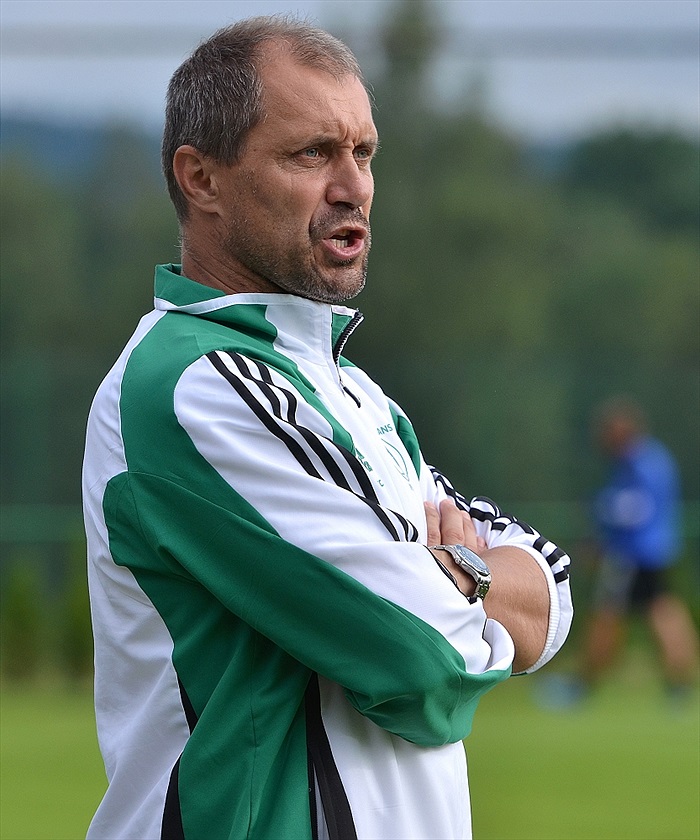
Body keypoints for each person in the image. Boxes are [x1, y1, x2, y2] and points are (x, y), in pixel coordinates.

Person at [82, 16, 573, 840]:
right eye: (311, 154)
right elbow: (418, 658)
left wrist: (455, 578)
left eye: (364, 152)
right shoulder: (197, 384)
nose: (353, 186)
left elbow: (553, 591)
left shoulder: (355, 395)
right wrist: (468, 576)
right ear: (201, 179)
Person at [577, 396, 698, 699]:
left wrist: (601, 526)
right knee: (664, 612)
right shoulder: (657, 457)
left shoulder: (636, 463)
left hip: (632, 553)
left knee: (606, 613)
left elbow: (633, 509)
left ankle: (581, 686)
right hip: (659, 550)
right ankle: (680, 685)